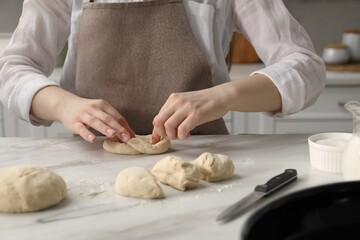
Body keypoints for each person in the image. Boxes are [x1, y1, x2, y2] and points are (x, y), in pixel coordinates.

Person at [0, 0, 326, 144]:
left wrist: (225, 95)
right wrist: (63, 105)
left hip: (202, 165)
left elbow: (306, 67)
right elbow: (12, 69)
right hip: (91, 159)